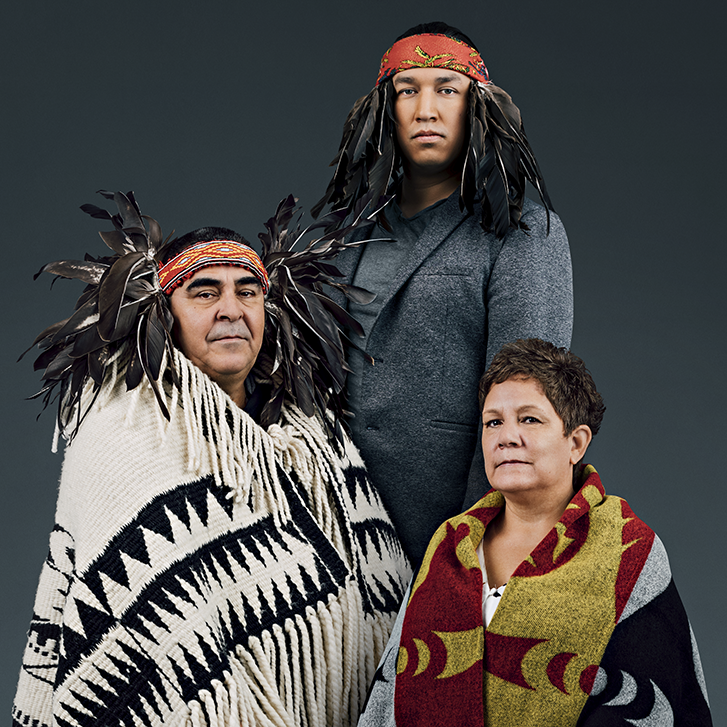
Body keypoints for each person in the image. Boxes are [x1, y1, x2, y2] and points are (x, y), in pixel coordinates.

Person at [12, 192, 410, 727]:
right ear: (162, 313)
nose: (232, 309)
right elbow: (143, 638)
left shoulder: (317, 438)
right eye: (204, 292)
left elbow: (382, 593)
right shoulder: (123, 434)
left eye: (248, 291)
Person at [314, 22, 573, 564]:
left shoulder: (524, 234)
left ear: (478, 109)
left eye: (446, 89)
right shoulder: (341, 233)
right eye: (407, 90)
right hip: (329, 528)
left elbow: (524, 399)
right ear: (384, 109)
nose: (425, 109)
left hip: (446, 529)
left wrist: (474, 546)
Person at [358, 338, 712, 726]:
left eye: (529, 419)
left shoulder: (628, 550)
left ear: (576, 442)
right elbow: (390, 690)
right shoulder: (450, 544)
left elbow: (654, 702)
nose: (506, 436)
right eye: (494, 421)